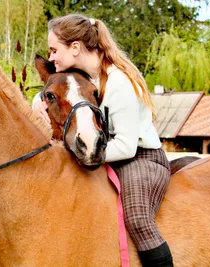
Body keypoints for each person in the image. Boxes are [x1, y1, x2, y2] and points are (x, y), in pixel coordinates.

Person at [33, 14, 173, 267]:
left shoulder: (119, 81)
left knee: (138, 219)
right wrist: (37, 102)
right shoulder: (80, 75)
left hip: (139, 158)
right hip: (99, 154)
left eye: (54, 50)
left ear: (75, 48)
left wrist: (82, 153)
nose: (51, 57)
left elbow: (127, 146)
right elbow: (53, 90)